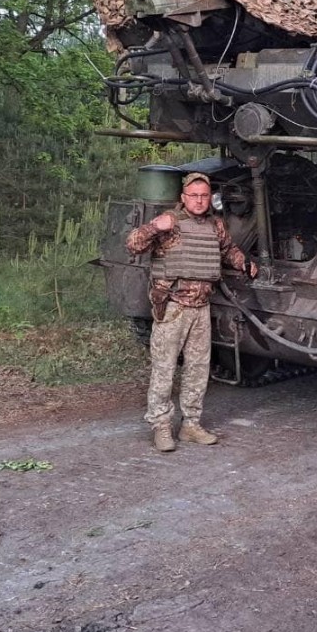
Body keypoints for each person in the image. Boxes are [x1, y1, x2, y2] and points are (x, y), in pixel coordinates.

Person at [124, 172, 257, 453]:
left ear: (210, 198)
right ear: (183, 198)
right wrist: (153, 228)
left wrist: (245, 263)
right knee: (164, 369)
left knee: (198, 370)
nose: (199, 200)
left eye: (204, 196)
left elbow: (228, 250)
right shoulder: (169, 222)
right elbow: (133, 245)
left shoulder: (215, 225)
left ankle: (191, 425)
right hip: (173, 307)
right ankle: (161, 426)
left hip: (201, 308)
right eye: (193, 195)